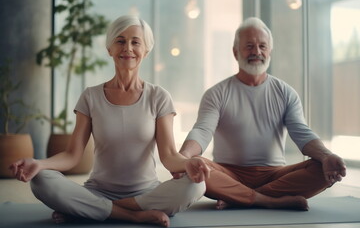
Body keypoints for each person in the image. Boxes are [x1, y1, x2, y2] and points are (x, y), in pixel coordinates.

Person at [9, 15, 210, 228]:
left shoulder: (159, 97)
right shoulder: (90, 96)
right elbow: (72, 155)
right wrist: (39, 164)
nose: (128, 48)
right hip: (98, 189)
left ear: (146, 50)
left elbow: (169, 156)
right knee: (41, 180)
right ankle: (133, 215)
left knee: (196, 186)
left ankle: (94, 209)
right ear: (109, 49)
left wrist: (189, 163)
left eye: (135, 42)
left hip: (146, 192)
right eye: (120, 41)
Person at [175, 17, 346, 211]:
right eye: (249, 46)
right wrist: (183, 157)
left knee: (322, 169)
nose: (256, 52)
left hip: (275, 175)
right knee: (194, 167)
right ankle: (268, 200)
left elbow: (302, 133)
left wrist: (326, 156)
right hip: (228, 174)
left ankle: (238, 197)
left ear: (270, 51)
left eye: (262, 46)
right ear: (235, 52)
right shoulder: (217, 93)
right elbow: (202, 130)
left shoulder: (285, 92)